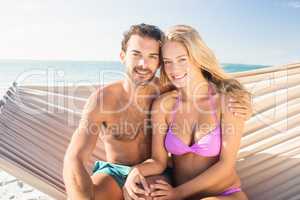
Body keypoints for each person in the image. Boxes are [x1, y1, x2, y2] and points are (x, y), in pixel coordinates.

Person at [63, 24, 251, 200]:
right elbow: (75, 158)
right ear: (122, 56)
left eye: (152, 56)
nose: (144, 64)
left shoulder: (175, 91)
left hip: (183, 181)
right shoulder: (107, 100)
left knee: (149, 194)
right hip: (125, 171)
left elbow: (203, 83)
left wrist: (245, 103)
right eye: (136, 54)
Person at [124, 25, 250, 200]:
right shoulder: (164, 105)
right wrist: (134, 172)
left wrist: (177, 193)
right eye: (167, 62)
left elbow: (226, 165)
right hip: (179, 194)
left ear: (197, 58)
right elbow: (158, 161)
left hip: (223, 194)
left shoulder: (227, 101)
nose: (174, 69)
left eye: (182, 59)